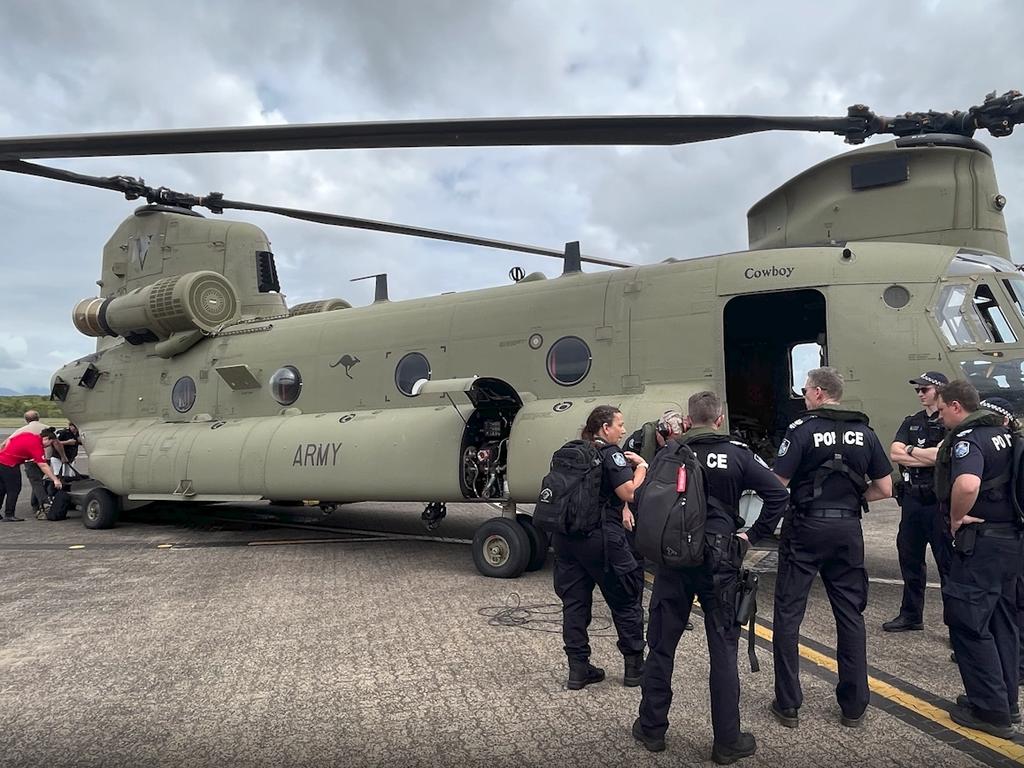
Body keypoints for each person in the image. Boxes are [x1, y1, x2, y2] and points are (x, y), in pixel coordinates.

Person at [633, 391, 789, 764]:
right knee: (723, 650)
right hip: (720, 558)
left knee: (661, 645)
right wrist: (751, 535)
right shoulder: (737, 453)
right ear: (719, 419)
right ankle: (727, 741)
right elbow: (778, 494)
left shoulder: (669, 453)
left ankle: (652, 729)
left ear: (688, 421)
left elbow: (644, 500)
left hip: (674, 559)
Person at [770, 367, 892, 728]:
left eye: (806, 390)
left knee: (789, 614)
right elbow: (885, 488)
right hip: (847, 529)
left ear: (820, 393)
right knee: (850, 615)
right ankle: (854, 705)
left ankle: (789, 704)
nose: (803, 395)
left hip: (806, 527)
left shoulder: (801, 430)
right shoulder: (865, 433)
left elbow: (778, 483)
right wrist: (852, 500)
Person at [935, 381, 1023, 738]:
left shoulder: (970, 439)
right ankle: (1007, 702)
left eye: (941, 410)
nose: (939, 417)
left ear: (957, 407)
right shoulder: (1007, 435)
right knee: (1004, 621)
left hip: (981, 544)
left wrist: (957, 518)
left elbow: (968, 484)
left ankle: (989, 711)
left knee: (970, 622)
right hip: (1011, 541)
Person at [552, 404, 648, 690]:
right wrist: (641, 468)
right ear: (605, 428)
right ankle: (634, 668)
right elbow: (628, 491)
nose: (623, 429)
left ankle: (578, 670)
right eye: (619, 424)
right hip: (602, 541)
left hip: (567, 539)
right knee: (626, 599)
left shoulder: (572, 453)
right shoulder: (611, 454)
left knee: (575, 603)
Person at [884, 371, 950, 632]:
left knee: (948, 566)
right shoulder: (912, 421)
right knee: (909, 560)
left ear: (940, 391)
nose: (921, 394)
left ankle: (956, 625)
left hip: (937, 502)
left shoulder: (949, 423)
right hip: (912, 501)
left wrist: (911, 452)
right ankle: (911, 614)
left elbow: (941, 457)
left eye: (926, 389)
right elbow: (894, 452)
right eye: (918, 390)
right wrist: (918, 454)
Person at [0, 427, 63, 522]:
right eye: (50, 443)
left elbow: (7, 441)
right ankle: (9, 514)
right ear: (46, 438)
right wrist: (55, 479)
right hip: (10, 465)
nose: (48, 446)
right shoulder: (37, 446)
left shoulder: (27, 434)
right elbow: (43, 465)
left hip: (1, 461)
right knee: (14, 489)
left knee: (2, 488)